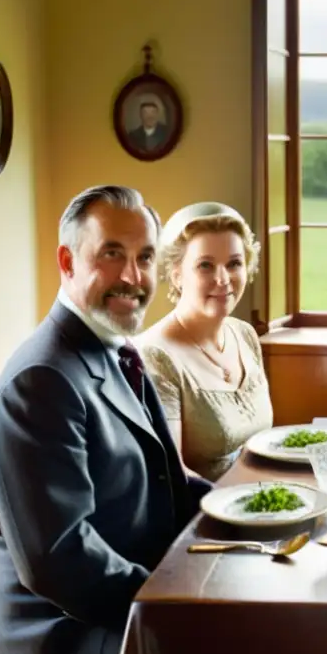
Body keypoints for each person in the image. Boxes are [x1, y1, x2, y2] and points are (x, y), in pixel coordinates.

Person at [0, 186, 213, 654]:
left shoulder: (114, 347)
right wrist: (171, 604)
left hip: (121, 597)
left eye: (145, 257)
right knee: (247, 641)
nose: (133, 277)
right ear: (67, 261)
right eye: (112, 254)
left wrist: (248, 509)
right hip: (63, 635)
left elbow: (168, 483)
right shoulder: (41, 381)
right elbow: (61, 561)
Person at [136, 202, 273, 481]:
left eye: (234, 263)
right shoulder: (155, 356)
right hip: (202, 515)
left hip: (263, 501)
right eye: (205, 265)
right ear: (177, 275)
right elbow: (171, 474)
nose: (223, 279)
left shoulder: (244, 334)